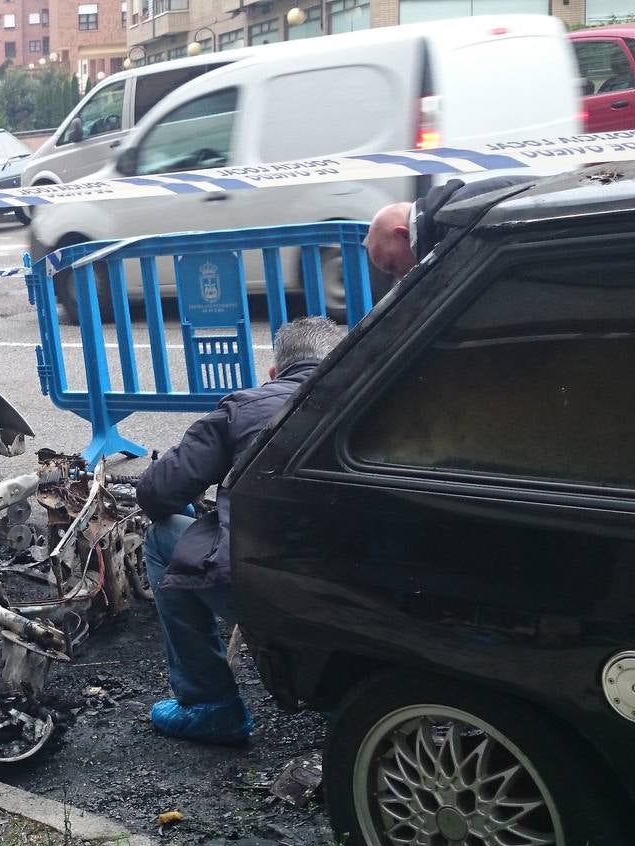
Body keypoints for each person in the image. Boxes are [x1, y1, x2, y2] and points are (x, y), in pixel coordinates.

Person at [134, 317, 346, 744]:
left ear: (274, 372)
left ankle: (210, 705)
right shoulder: (383, 398)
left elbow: (157, 492)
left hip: (273, 589)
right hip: (375, 593)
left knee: (163, 538)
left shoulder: (246, 406)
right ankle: (346, 708)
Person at [364, 175, 539, 279]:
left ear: (402, 234)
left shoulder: (456, 221)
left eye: (392, 266)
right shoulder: (452, 211)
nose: (399, 277)